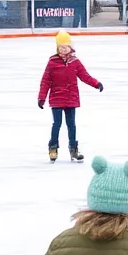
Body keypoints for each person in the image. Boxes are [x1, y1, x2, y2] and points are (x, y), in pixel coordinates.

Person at [39, 31, 102, 163]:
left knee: (71, 125)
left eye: (66, 46)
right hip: (56, 98)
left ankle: (73, 149)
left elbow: (85, 76)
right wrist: (41, 98)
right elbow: (45, 81)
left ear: (70, 47)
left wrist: (96, 84)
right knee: (57, 124)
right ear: (57, 48)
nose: (63, 49)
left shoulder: (75, 62)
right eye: (60, 46)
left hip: (71, 98)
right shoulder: (52, 62)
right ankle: (53, 148)